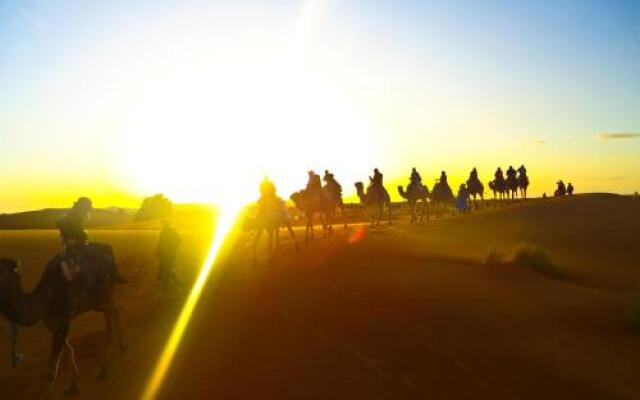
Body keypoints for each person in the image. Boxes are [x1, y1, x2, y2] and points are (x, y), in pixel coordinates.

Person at [56, 197, 127, 283]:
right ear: (84, 206)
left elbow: (61, 222)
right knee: (103, 259)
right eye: (88, 207)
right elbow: (63, 223)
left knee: (107, 248)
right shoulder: (76, 215)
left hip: (80, 243)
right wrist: (72, 236)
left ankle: (114, 276)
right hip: (79, 246)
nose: (89, 209)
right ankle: (103, 283)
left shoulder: (74, 214)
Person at [156, 219, 181, 284]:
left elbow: (160, 243)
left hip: (168, 253)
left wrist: (172, 248)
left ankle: (173, 281)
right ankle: (165, 280)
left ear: (166, 225)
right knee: (165, 266)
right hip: (168, 253)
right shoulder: (168, 232)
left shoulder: (167, 232)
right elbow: (160, 243)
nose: (161, 226)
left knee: (166, 267)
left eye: (163, 224)